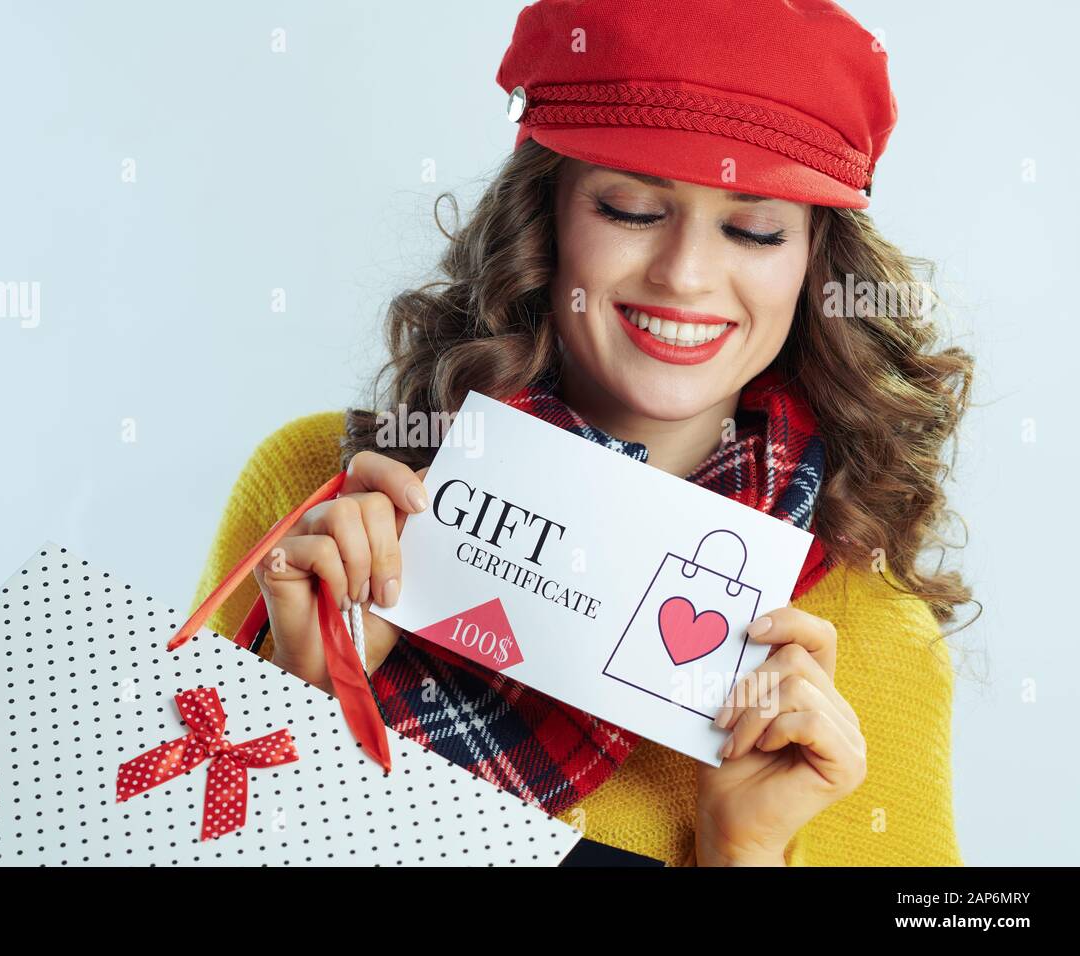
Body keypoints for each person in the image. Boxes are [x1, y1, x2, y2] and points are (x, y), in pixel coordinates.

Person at [190, 0, 973, 865]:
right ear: (544, 221)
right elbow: (155, 830)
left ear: (814, 263)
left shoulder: (880, 641)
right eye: (632, 209)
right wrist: (305, 701)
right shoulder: (324, 492)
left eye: (753, 228)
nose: (684, 275)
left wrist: (742, 851)